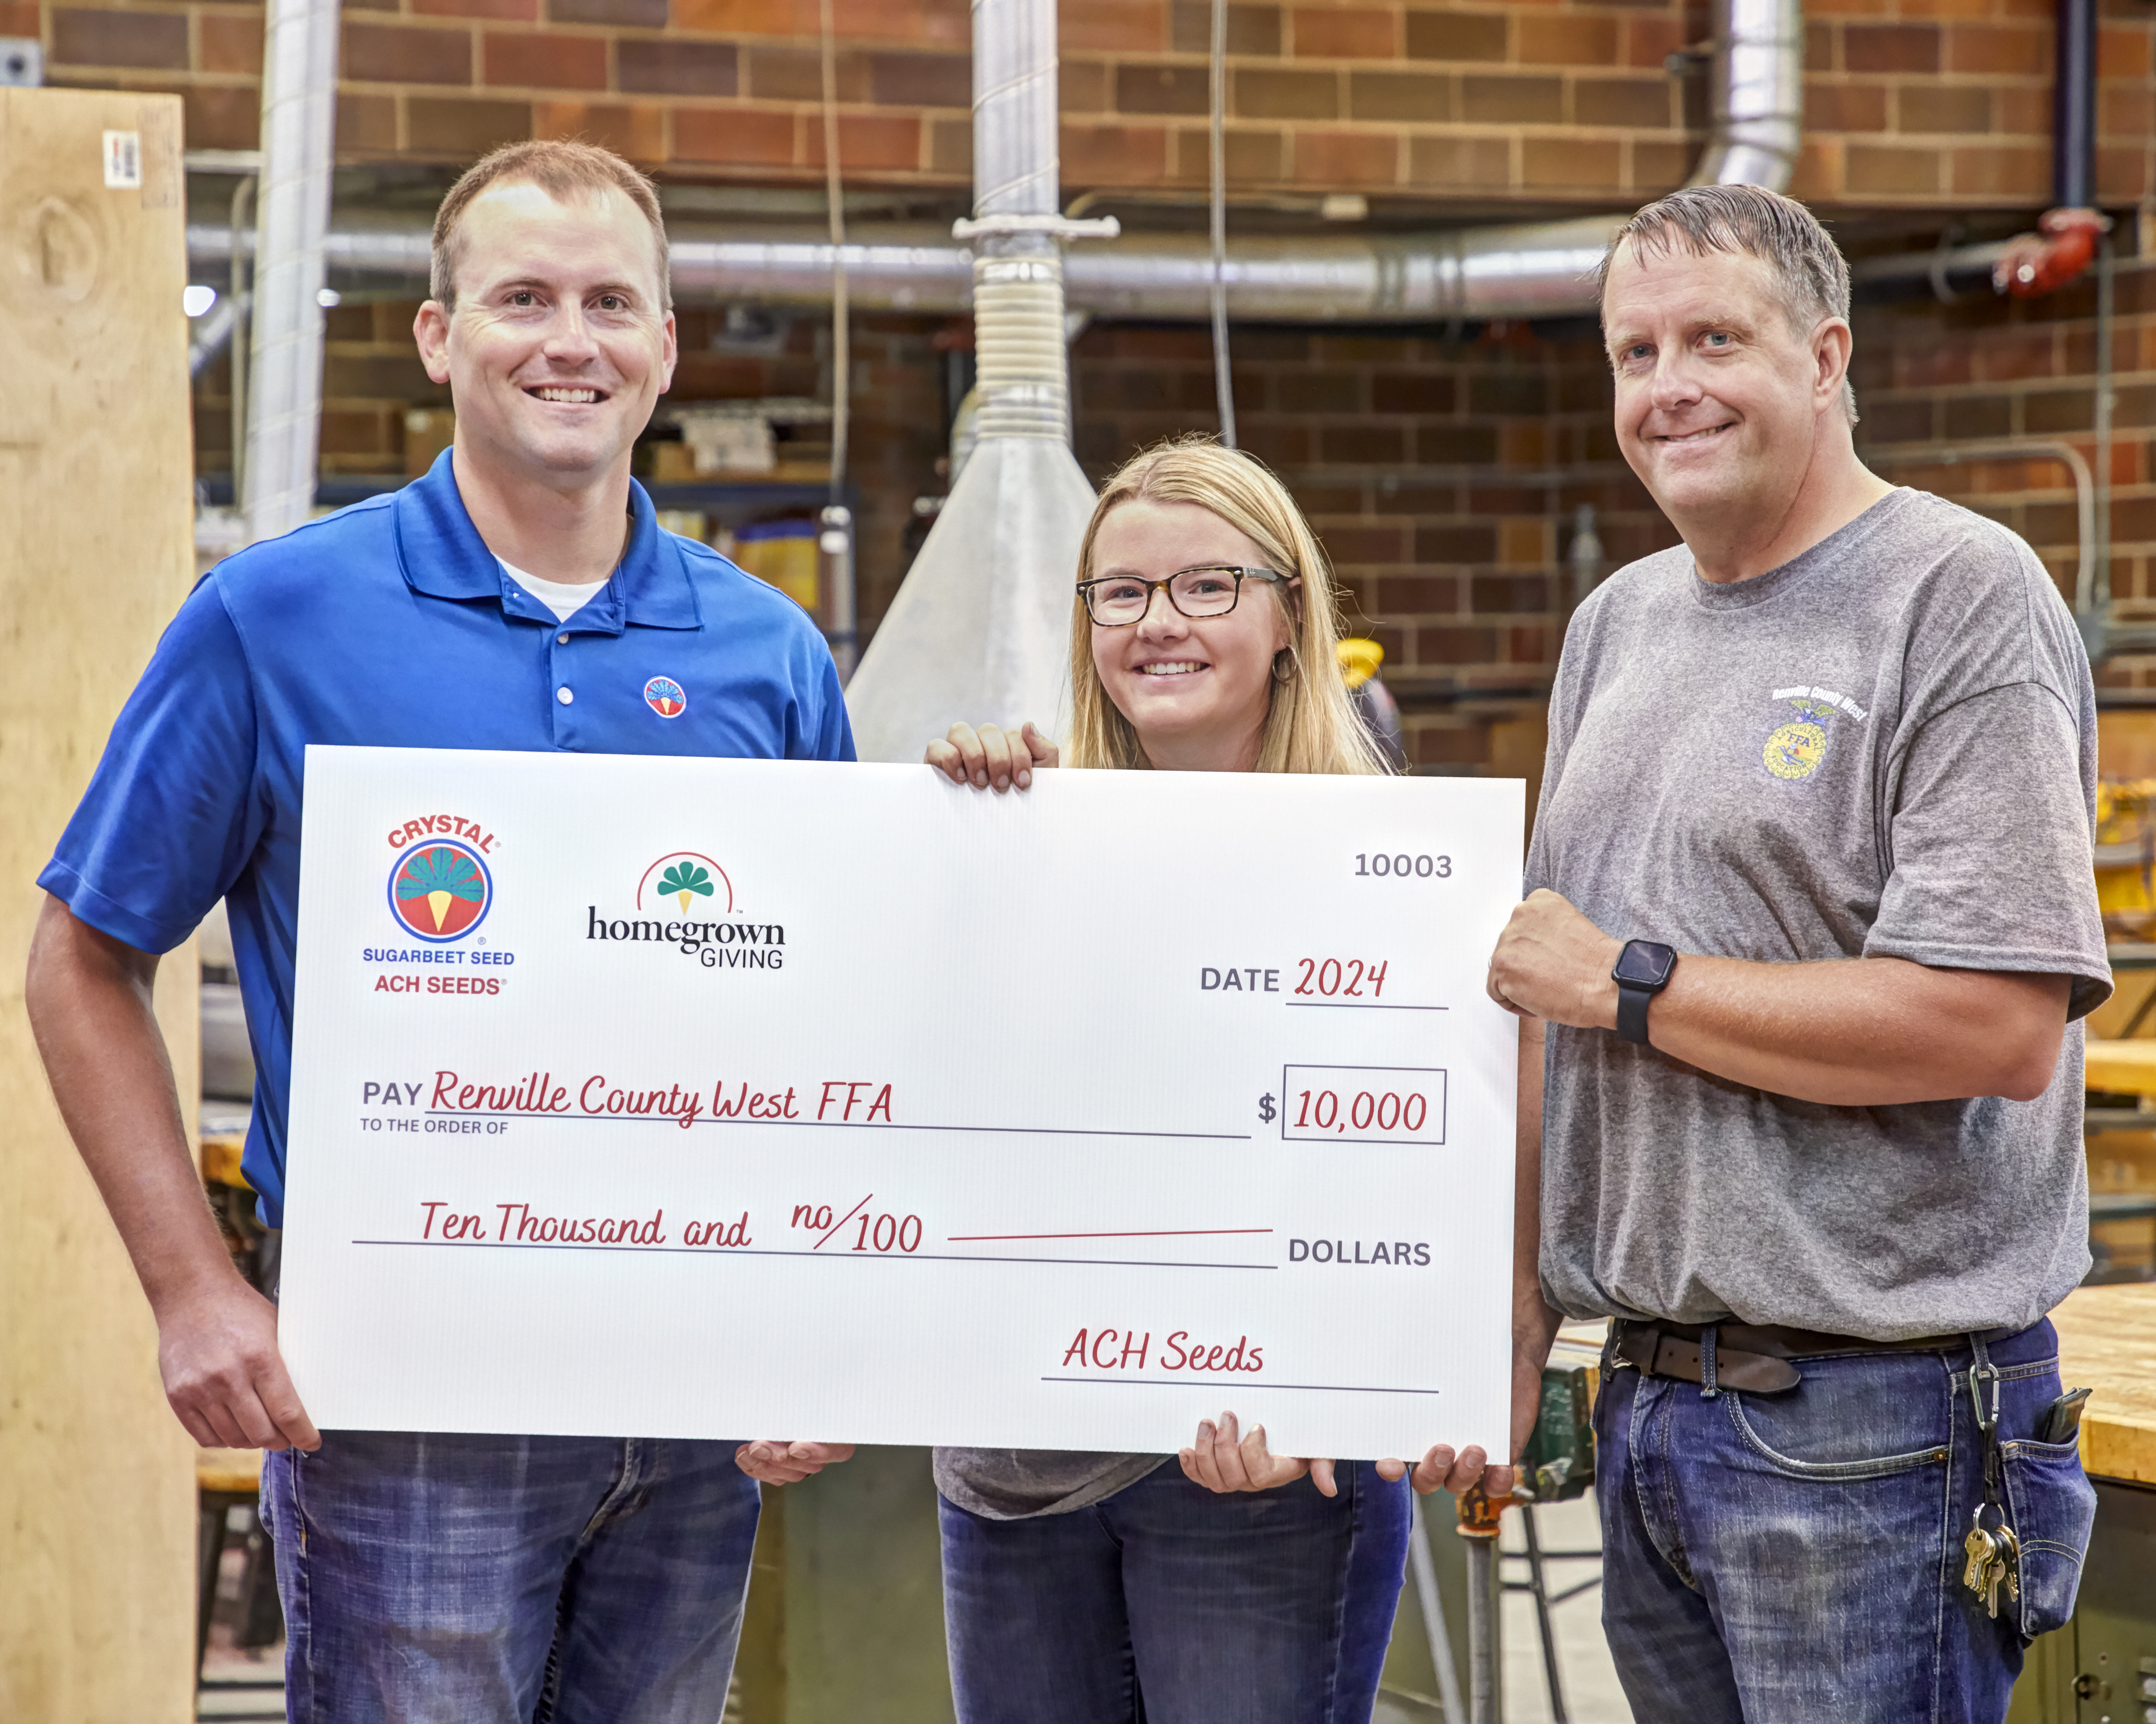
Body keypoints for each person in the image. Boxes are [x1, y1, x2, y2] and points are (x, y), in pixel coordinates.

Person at [26, 140, 850, 1722]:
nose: (570, 340)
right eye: (522, 297)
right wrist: (193, 1286)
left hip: (692, 1399)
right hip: (402, 1400)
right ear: (438, 335)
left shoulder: (766, 651)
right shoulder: (278, 616)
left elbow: (824, 1018)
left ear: (666, 346)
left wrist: (817, 1321)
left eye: (613, 301)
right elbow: (80, 956)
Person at [1488, 182, 2108, 1721]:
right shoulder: (1617, 623)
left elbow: (1991, 1025)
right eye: (1635, 352)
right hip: (1647, 1398)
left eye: (1717, 337)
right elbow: (1541, 1025)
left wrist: (1631, 983)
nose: (1668, 385)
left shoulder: (1958, 596)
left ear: (1828, 356)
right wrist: (1508, 1333)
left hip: (1875, 1418)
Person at [924, 435, 1499, 1724]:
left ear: (1288, 613)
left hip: (1259, 1470)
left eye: (1205, 587)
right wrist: (952, 832)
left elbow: (1429, 1179)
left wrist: (1339, 1390)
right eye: (1119, 594)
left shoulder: (1399, 874)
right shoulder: (1015, 842)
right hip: (1016, 1458)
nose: (1155, 624)